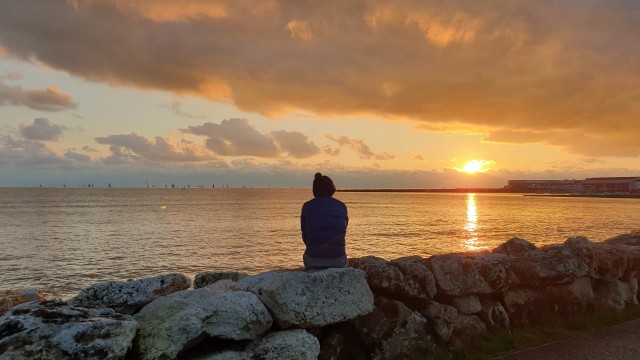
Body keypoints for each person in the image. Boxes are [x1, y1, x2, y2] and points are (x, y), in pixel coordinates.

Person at [300, 172, 349, 270]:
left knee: (307, 255)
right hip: (338, 261)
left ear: (315, 189)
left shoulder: (307, 206)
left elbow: (305, 235)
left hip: (313, 261)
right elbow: (342, 232)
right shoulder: (341, 206)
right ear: (332, 188)